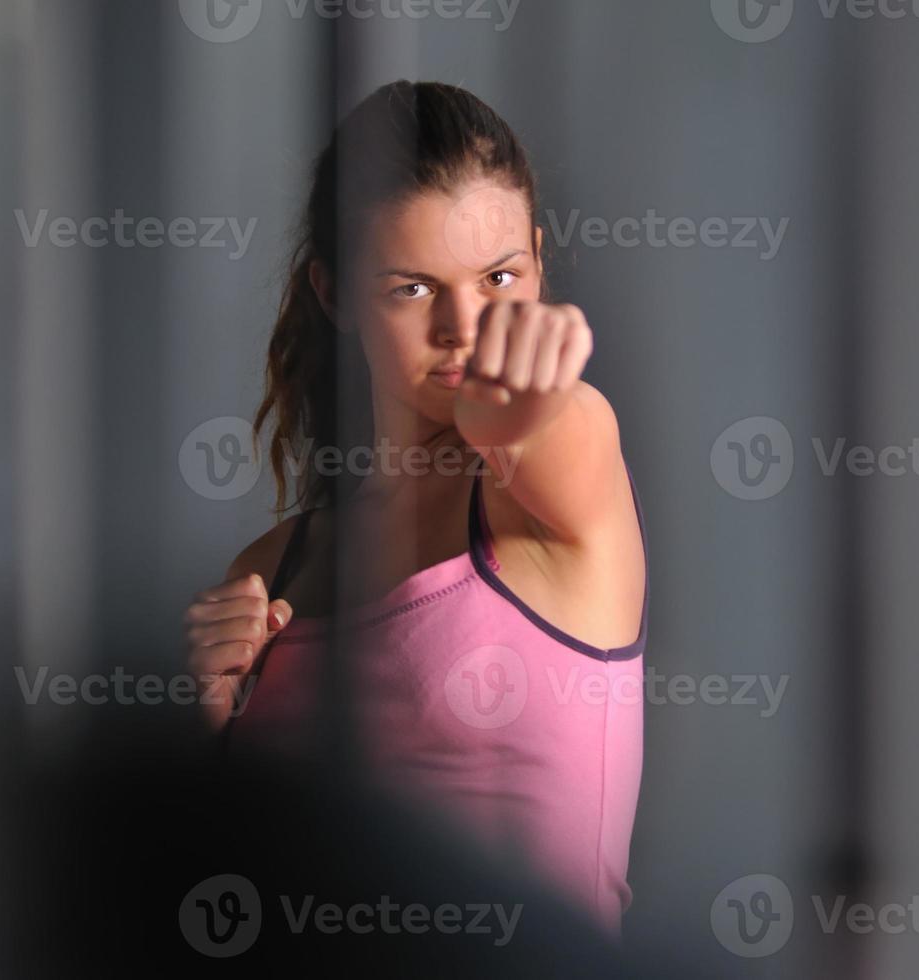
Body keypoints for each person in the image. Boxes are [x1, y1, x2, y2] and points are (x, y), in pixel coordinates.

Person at [181, 80, 649, 942]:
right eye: (411, 288)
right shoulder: (268, 568)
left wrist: (511, 411)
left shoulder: (562, 472)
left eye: (500, 277)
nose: (465, 326)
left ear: (540, 265)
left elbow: (538, 422)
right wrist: (203, 733)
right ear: (336, 294)